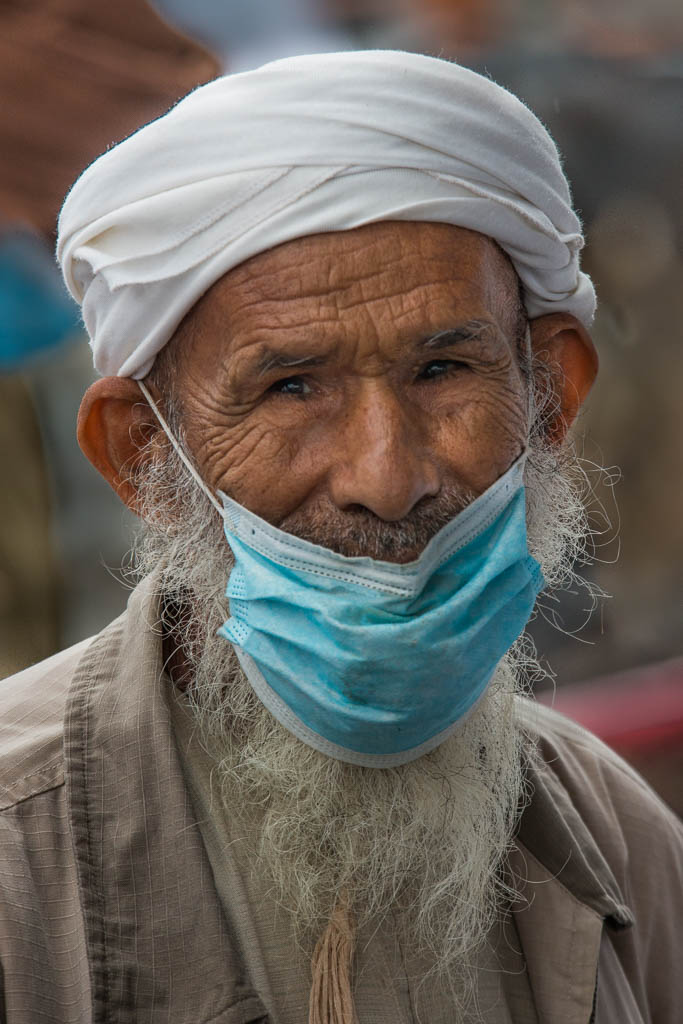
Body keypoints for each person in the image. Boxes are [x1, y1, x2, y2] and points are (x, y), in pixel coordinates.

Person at [0, 50, 680, 1023]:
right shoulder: (16, 856)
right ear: (140, 450)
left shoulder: (617, 844)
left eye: (443, 369)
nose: (385, 478)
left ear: (549, 396)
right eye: (291, 387)